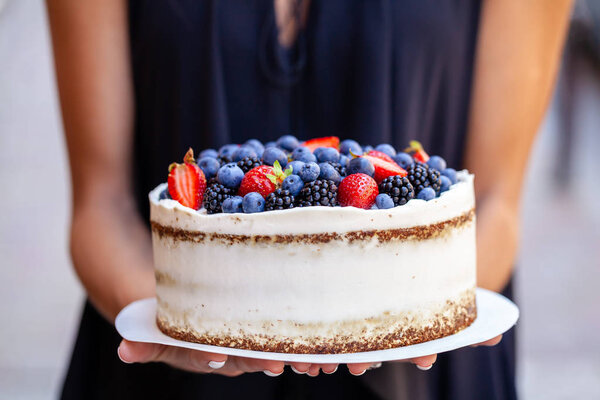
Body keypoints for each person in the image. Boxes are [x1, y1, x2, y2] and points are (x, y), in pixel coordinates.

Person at [47, 0, 572, 399]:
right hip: (158, 378)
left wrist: (395, 320)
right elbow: (101, 205)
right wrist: (189, 326)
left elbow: (499, 204)